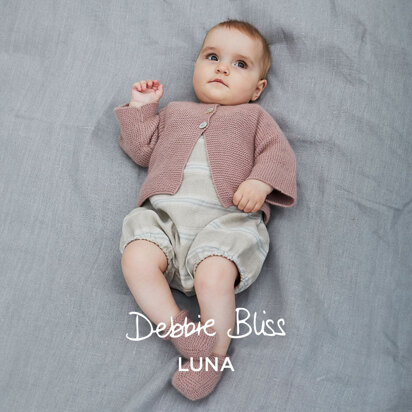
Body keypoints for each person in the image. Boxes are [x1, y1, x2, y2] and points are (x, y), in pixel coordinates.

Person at [114, 19, 297, 401]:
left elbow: (278, 156)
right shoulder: (174, 112)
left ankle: (212, 358)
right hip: (165, 223)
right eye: (212, 57)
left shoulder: (255, 119)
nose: (222, 68)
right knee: (135, 257)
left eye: (240, 64)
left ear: (258, 89)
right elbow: (141, 150)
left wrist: (259, 182)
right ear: (196, 64)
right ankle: (179, 329)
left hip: (226, 224)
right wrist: (141, 109)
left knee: (214, 279)